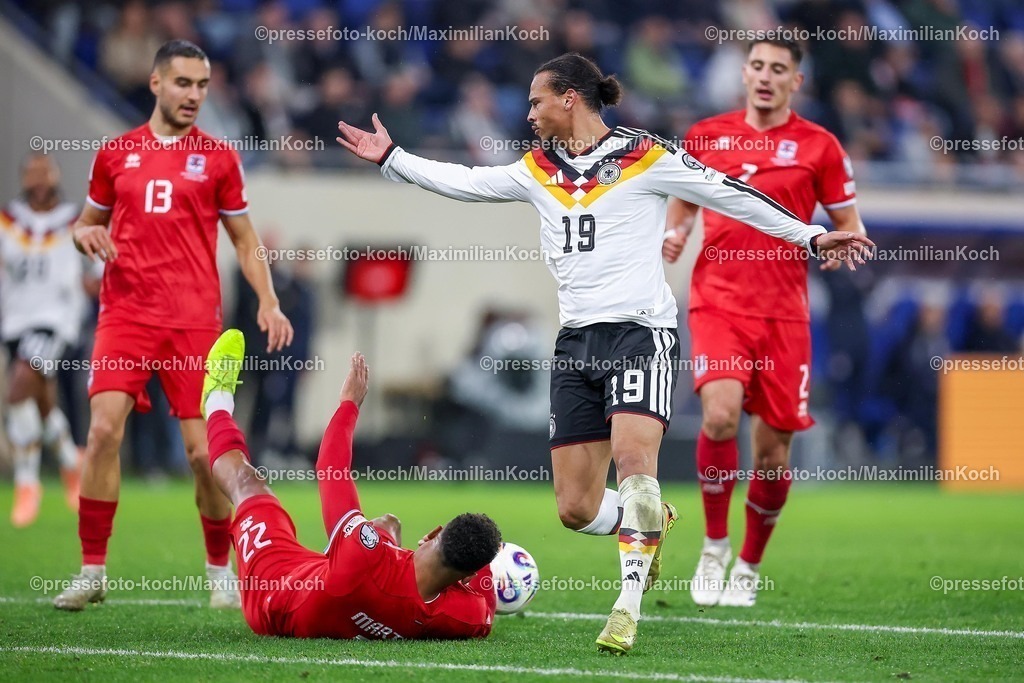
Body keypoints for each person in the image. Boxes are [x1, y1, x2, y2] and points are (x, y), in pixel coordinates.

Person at [336, 52, 873, 653]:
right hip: (575, 344)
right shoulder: (534, 169)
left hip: (640, 334)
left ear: (570, 97)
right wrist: (393, 159)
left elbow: (732, 194)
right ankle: (650, 522)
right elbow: (465, 182)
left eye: (537, 101)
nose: (530, 113)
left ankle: (627, 605)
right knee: (573, 506)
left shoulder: (648, 157)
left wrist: (812, 234)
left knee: (633, 458)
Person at [53, 40, 294, 611]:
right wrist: (84, 235)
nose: (194, 95)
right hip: (126, 313)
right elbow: (86, 223)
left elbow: (243, 237)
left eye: (202, 85)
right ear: (156, 83)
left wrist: (268, 299)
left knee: (200, 454)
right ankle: (92, 570)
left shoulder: (218, 158)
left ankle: (218, 574)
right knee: (103, 432)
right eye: (184, 83)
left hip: (193, 320)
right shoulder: (115, 154)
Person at [661, 38, 870, 608]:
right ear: (745, 73)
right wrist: (676, 230)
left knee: (773, 452)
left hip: (784, 314)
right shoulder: (706, 135)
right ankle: (714, 545)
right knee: (721, 415)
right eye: (757, 66)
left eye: (778, 69)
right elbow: (681, 198)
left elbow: (847, 220)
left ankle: (750, 564)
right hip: (717, 300)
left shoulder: (820, 146)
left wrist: (843, 245)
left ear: (795, 82)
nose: (765, 76)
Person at [202, 330, 501, 640]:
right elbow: (485, 609)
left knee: (248, 483)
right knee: (387, 525)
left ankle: (216, 400)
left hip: (277, 595)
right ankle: (336, 560)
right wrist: (488, 565)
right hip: (342, 586)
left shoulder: (363, 553)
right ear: (465, 577)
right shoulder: (466, 617)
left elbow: (330, 469)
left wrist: (349, 404)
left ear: (436, 533)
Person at [2, 154, 93, 527]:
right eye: (32, 173)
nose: (39, 180)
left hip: (57, 322)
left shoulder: (76, 220)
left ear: (56, 175)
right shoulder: (9, 219)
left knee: (19, 389)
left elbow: (96, 271)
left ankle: (28, 483)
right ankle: (72, 462)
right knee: (40, 403)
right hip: (14, 322)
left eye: (45, 172)